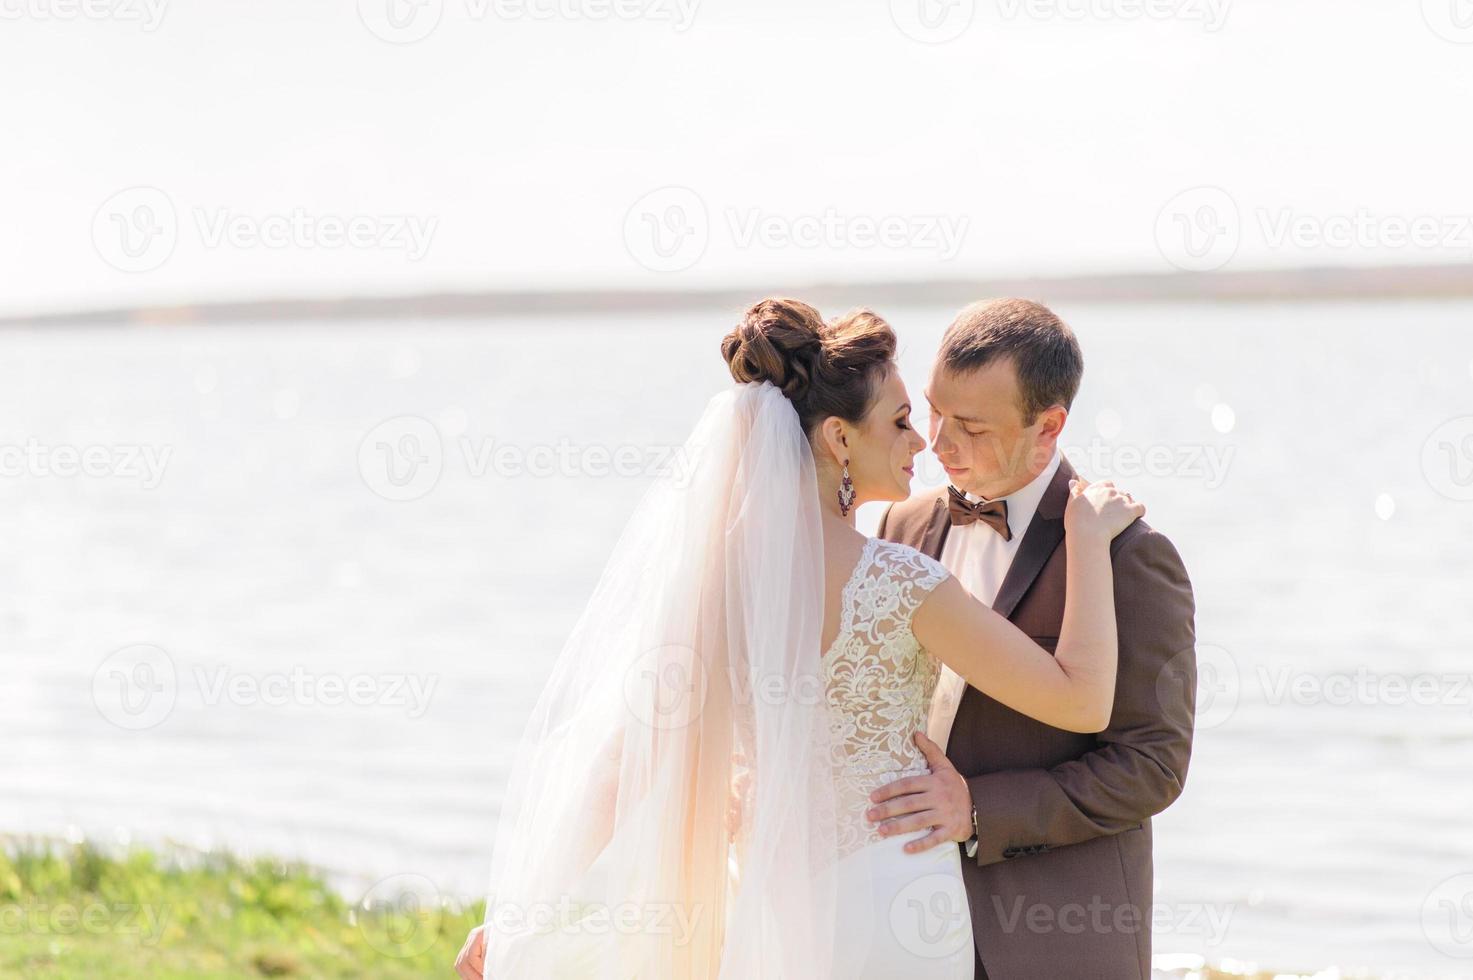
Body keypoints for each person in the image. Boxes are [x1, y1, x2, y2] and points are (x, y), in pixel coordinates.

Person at [455, 298, 1144, 979]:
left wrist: (522, 916)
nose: (921, 445)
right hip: (894, 899)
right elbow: (1080, 702)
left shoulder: (718, 579)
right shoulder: (901, 581)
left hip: (769, 904)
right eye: (902, 421)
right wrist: (1084, 540)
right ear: (839, 439)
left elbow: (620, 764)